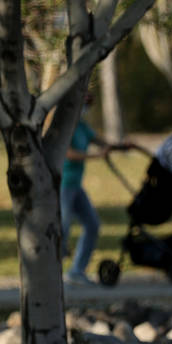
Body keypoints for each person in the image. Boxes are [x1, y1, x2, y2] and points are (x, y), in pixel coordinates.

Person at [61, 94, 129, 285]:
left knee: (92, 224)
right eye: (84, 104)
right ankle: (50, 275)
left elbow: (103, 144)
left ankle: (77, 270)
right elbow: (67, 153)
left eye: (89, 105)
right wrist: (96, 156)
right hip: (62, 185)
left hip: (76, 185)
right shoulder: (65, 127)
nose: (86, 108)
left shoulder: (82, 127)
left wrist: (123, 147)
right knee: (62, 230)